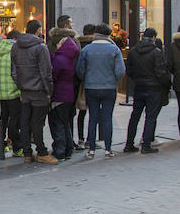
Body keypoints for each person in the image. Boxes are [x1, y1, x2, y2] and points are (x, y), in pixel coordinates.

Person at [75, 23, 125, 158]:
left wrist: (86, 79)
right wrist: (114, 80)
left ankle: (91, 149)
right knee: (107, 117)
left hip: (91, 87)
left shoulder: (87, 49)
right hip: (109, 87)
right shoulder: (114, 49)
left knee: (92, 117)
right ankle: (108, 149)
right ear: (108, 35)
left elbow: (80, 69)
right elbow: (121, 71)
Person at [11, 19, 57, 164]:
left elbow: (13, 71)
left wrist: (20, 85)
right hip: (39, 90)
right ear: (38, 30)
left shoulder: (16, 46)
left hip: (25, 91)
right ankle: (42, 152)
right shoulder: (40, 47)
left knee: (25, 122)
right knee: (37, 123)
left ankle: (27, 153)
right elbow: (46, 71)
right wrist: (49, 90)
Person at [124, 28, 170, 153]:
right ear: (154, 37)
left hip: (139, 87)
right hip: (153, 88)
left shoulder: (133, 51)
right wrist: (166, 83)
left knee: (135, 116)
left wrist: (137, 79)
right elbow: (160, 72)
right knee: (150, 117)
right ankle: (146, 144)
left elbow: (129, 70)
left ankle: (129, 143)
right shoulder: (156, 52)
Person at [49, 33, 80, 160]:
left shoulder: (60, 59)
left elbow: (53, 74)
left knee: (58, 123)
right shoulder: (70, 58)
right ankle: (68, 149)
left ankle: (60, 151)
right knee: (65, 123)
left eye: (59, 44)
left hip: (59, 94)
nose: (57, 45)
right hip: (68, 94)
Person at [0, 31, 20, 154]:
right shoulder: (15, 52)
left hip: (2, 90)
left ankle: (2, 144)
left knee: (4, 117)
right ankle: (16, 146)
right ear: (15, 39)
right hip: (14, 90)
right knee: (14, 119)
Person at [74, 23, 96, 150]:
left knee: (81, 113)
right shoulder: (94, 46)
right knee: (93, 112)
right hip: (92, 82)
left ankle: (80, 139)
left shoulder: (77, 43)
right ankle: (90, 139)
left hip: (79, 82)